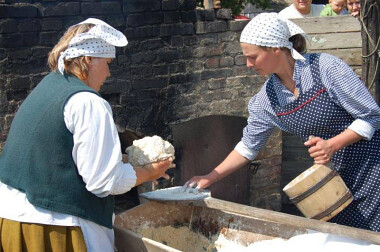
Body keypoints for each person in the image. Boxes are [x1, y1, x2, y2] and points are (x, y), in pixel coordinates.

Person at [184, 12, 380, 233]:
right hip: (332, 184)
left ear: (275, 48)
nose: (248, 64)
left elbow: (371, 116)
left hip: (373, 169)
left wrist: (332, 144)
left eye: (253, 57)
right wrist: (210, 177)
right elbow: (248, 147)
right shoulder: (266, 99)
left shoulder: (326, 69)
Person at [0, 18, 174, 251]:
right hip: (52, 228)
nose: (109, 73)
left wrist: (127, 160)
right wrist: (151, 171)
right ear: (89, 59)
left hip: (12, 220)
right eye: (108, 63)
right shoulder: (88, 102)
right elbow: (103, 181)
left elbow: (67, 159)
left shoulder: (48, 86)